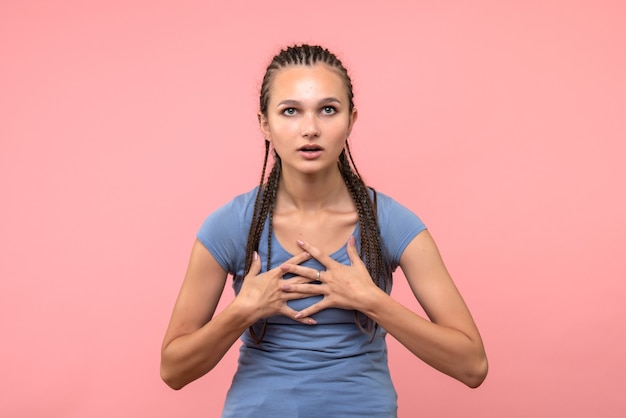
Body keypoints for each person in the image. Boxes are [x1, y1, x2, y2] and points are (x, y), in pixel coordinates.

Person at [160, 44, 488, 417]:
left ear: (351, 120)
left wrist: (372, 301)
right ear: (265, 124)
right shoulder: (233, 225)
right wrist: (242, 311)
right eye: (290, 111)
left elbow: (472, 365)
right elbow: (173, 370)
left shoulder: (391, 224)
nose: (310, 128)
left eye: (328, 110)